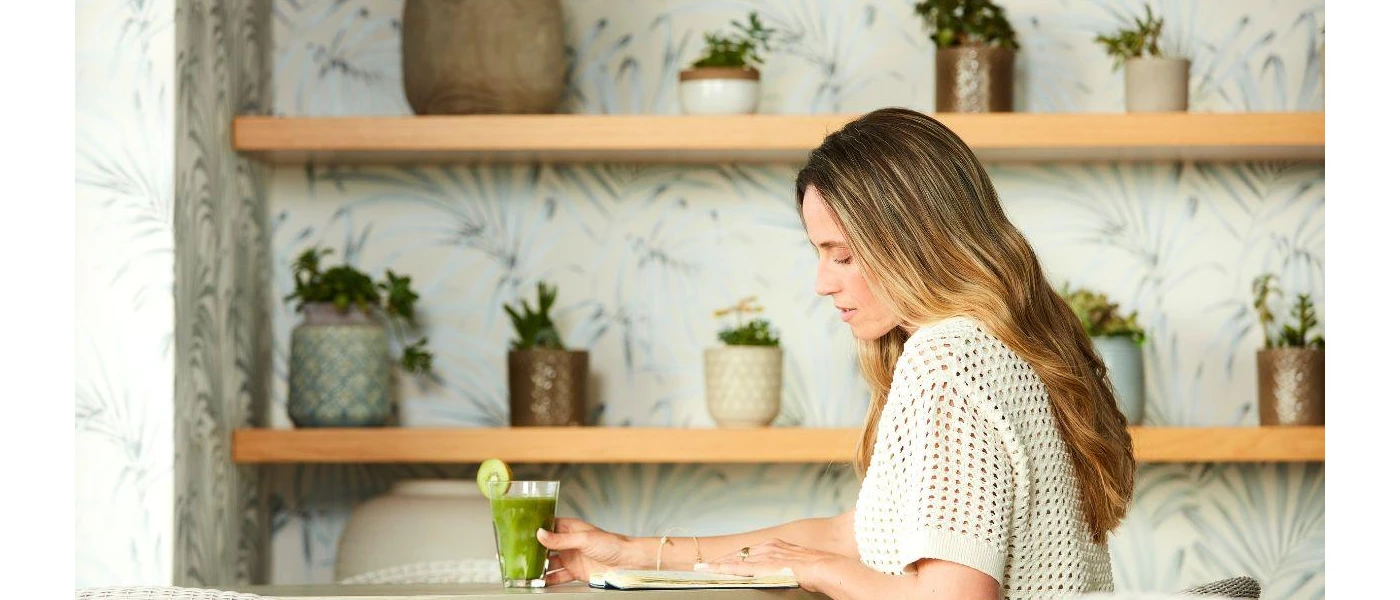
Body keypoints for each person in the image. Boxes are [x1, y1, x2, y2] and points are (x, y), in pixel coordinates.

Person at [537, 107, 1136, 600]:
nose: (824, 282)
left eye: (843, 255)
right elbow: (851, 536)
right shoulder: (1008, 346)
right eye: (819, 252)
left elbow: (951, 597)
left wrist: (814, 571)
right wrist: (639, 553)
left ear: (918, 242)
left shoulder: (947, 360)